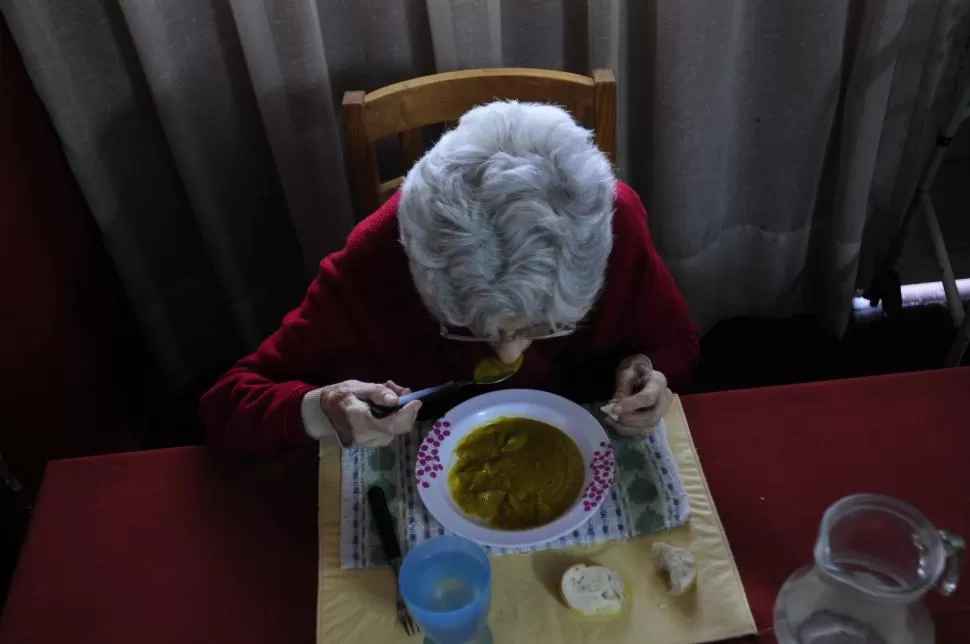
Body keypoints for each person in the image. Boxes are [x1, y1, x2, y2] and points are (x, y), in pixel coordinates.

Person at [200, 101, 699, 454]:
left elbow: (680, 344)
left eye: (541, 328)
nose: (506, 356)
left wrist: (647, 370)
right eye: (468, 326)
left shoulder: (614, 224)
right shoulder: (380, 255)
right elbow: (230, 402)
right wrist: (319, 409)